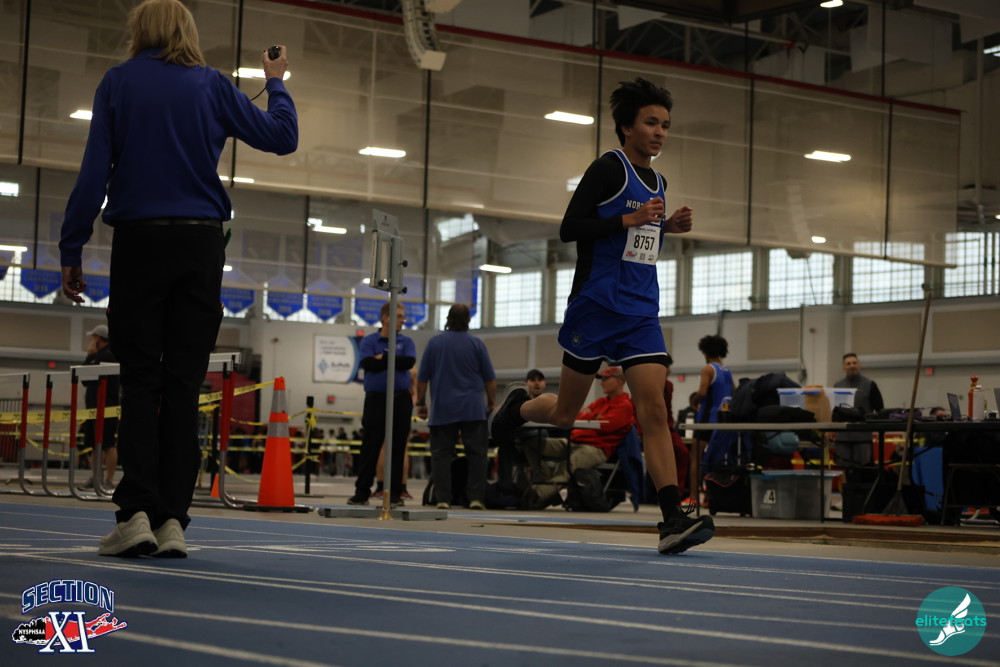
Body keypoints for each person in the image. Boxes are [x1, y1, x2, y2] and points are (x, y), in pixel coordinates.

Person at [58, 0, 297, 558]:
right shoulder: (213, 85)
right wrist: (275, 81)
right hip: (199, 245)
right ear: (188, 32)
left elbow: (94, 173)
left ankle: (135, 514)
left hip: (140, 243)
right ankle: (173, 521)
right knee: (184, 385)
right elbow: (283, 137)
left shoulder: (118, 83)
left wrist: (72, 246)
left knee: (141, 381)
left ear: (139, 32)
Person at [487, 77, 711, 554]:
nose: (660, 132)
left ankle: (672, 517)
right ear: (627, 127)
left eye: (666, 125)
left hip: (640, 311)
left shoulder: (659, 183)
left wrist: (666, 227)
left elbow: (639, 243)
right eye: (651, 123)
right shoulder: (608, 169)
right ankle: (520, 406)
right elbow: (571, 228)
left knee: (654, 411)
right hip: (595, 305)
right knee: (565, 415)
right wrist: (629, 218)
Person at [416, 304, 496, 510]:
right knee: (477, 455)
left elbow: (422, 378)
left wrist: (421, 403)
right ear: (468, 320)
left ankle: (443, 498)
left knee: (441, 455)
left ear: (448, 319)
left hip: (443, 408)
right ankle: (476, 498)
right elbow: (489, 379)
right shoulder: (477, 344)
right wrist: (491, 402)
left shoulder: (434, 343)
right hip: (472, 408)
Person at [348, 302, 416, 507]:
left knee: (397, 447)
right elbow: (368, 364)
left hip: (401, 399)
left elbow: (408, 363)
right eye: (399, 316)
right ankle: (362, 491)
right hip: (376, 399)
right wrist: (393, 360)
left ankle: (394, 493)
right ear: (386, 318)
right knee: (370, 446)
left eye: (403, 316)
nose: (403, 320)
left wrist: (383, 358)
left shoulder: (407, 342)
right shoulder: (369, 341)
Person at [80, 324, 120, 491]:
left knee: (108, 443)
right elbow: (84, 380)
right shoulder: (96, 356)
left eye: (93, 337)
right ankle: (95, 477)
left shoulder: (109, 355)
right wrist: (90, 355)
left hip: (107, 407)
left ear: (98, 338)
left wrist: (92, 356)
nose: (91, 340)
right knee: (93, 443)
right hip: (92, 408)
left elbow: (87, 376)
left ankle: (109, 479)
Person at [832, 353, 885, 466]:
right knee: (844, 470)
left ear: (859, 365)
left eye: (854, 363)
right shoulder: (837, 386)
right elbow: (833, 410)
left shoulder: (870, 385)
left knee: (863, 470)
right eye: (848, 363)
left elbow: (880, 410)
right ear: (844, 367)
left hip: (863, 438)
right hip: (842, 438)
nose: (852, 365)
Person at [497, 368, 548, 484]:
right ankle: (505, 487)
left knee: (541, 434)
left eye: (540, 380)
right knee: (505, 446)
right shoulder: (519, 404)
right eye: (533, 380)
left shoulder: (550, 404)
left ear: (544, 384)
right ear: (526, 383)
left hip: (541, 446)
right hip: (522, 449)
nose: (537, 383)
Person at [695, 335, 735, 469]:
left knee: (696, 458)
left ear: (705, 352)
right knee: (716, 457)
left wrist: (694, 400)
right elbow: (734, 392)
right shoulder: (727, 371)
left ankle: (696, 484)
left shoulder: (708, 369)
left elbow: (702, 392)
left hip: (707, 419)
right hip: (723, 420)